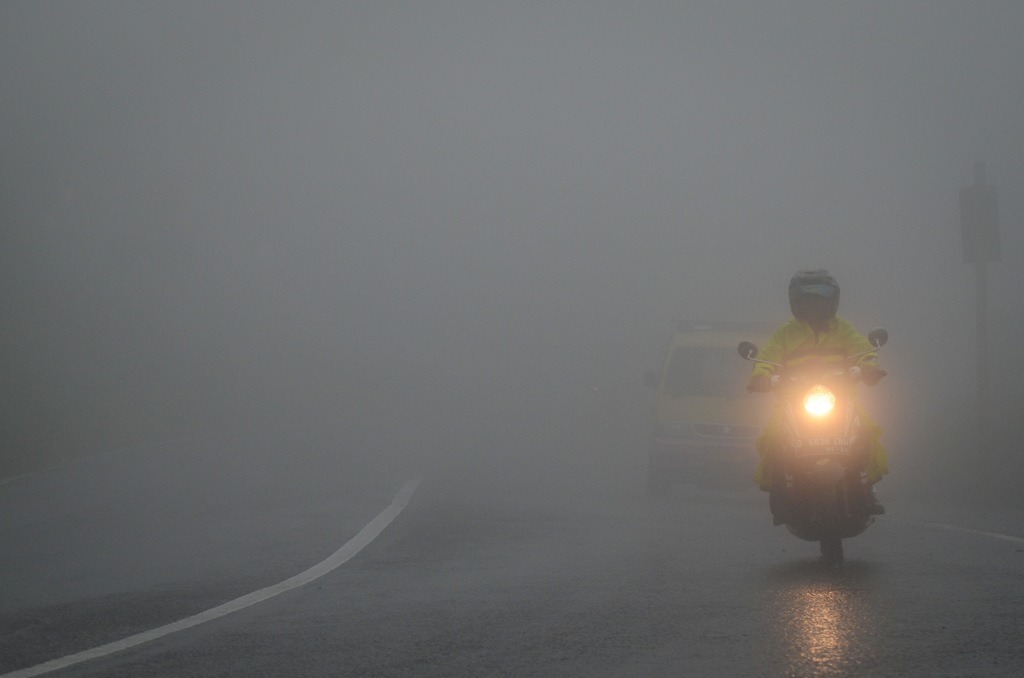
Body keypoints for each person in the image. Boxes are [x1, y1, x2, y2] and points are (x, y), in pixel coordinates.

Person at [746, 269, 888, 524]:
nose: (813, 305)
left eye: (819, 299)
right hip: (793, 403)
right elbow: (767, 358)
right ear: (796, 303)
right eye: (807, 300)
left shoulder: (843, 329)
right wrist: (760, 375)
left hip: (841, 401)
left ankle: (868, 492)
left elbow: (864, 351)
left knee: (866, 431)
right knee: (772, 437)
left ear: (831, 302)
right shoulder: (785, 334)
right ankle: (780, 494)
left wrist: (870, 367)